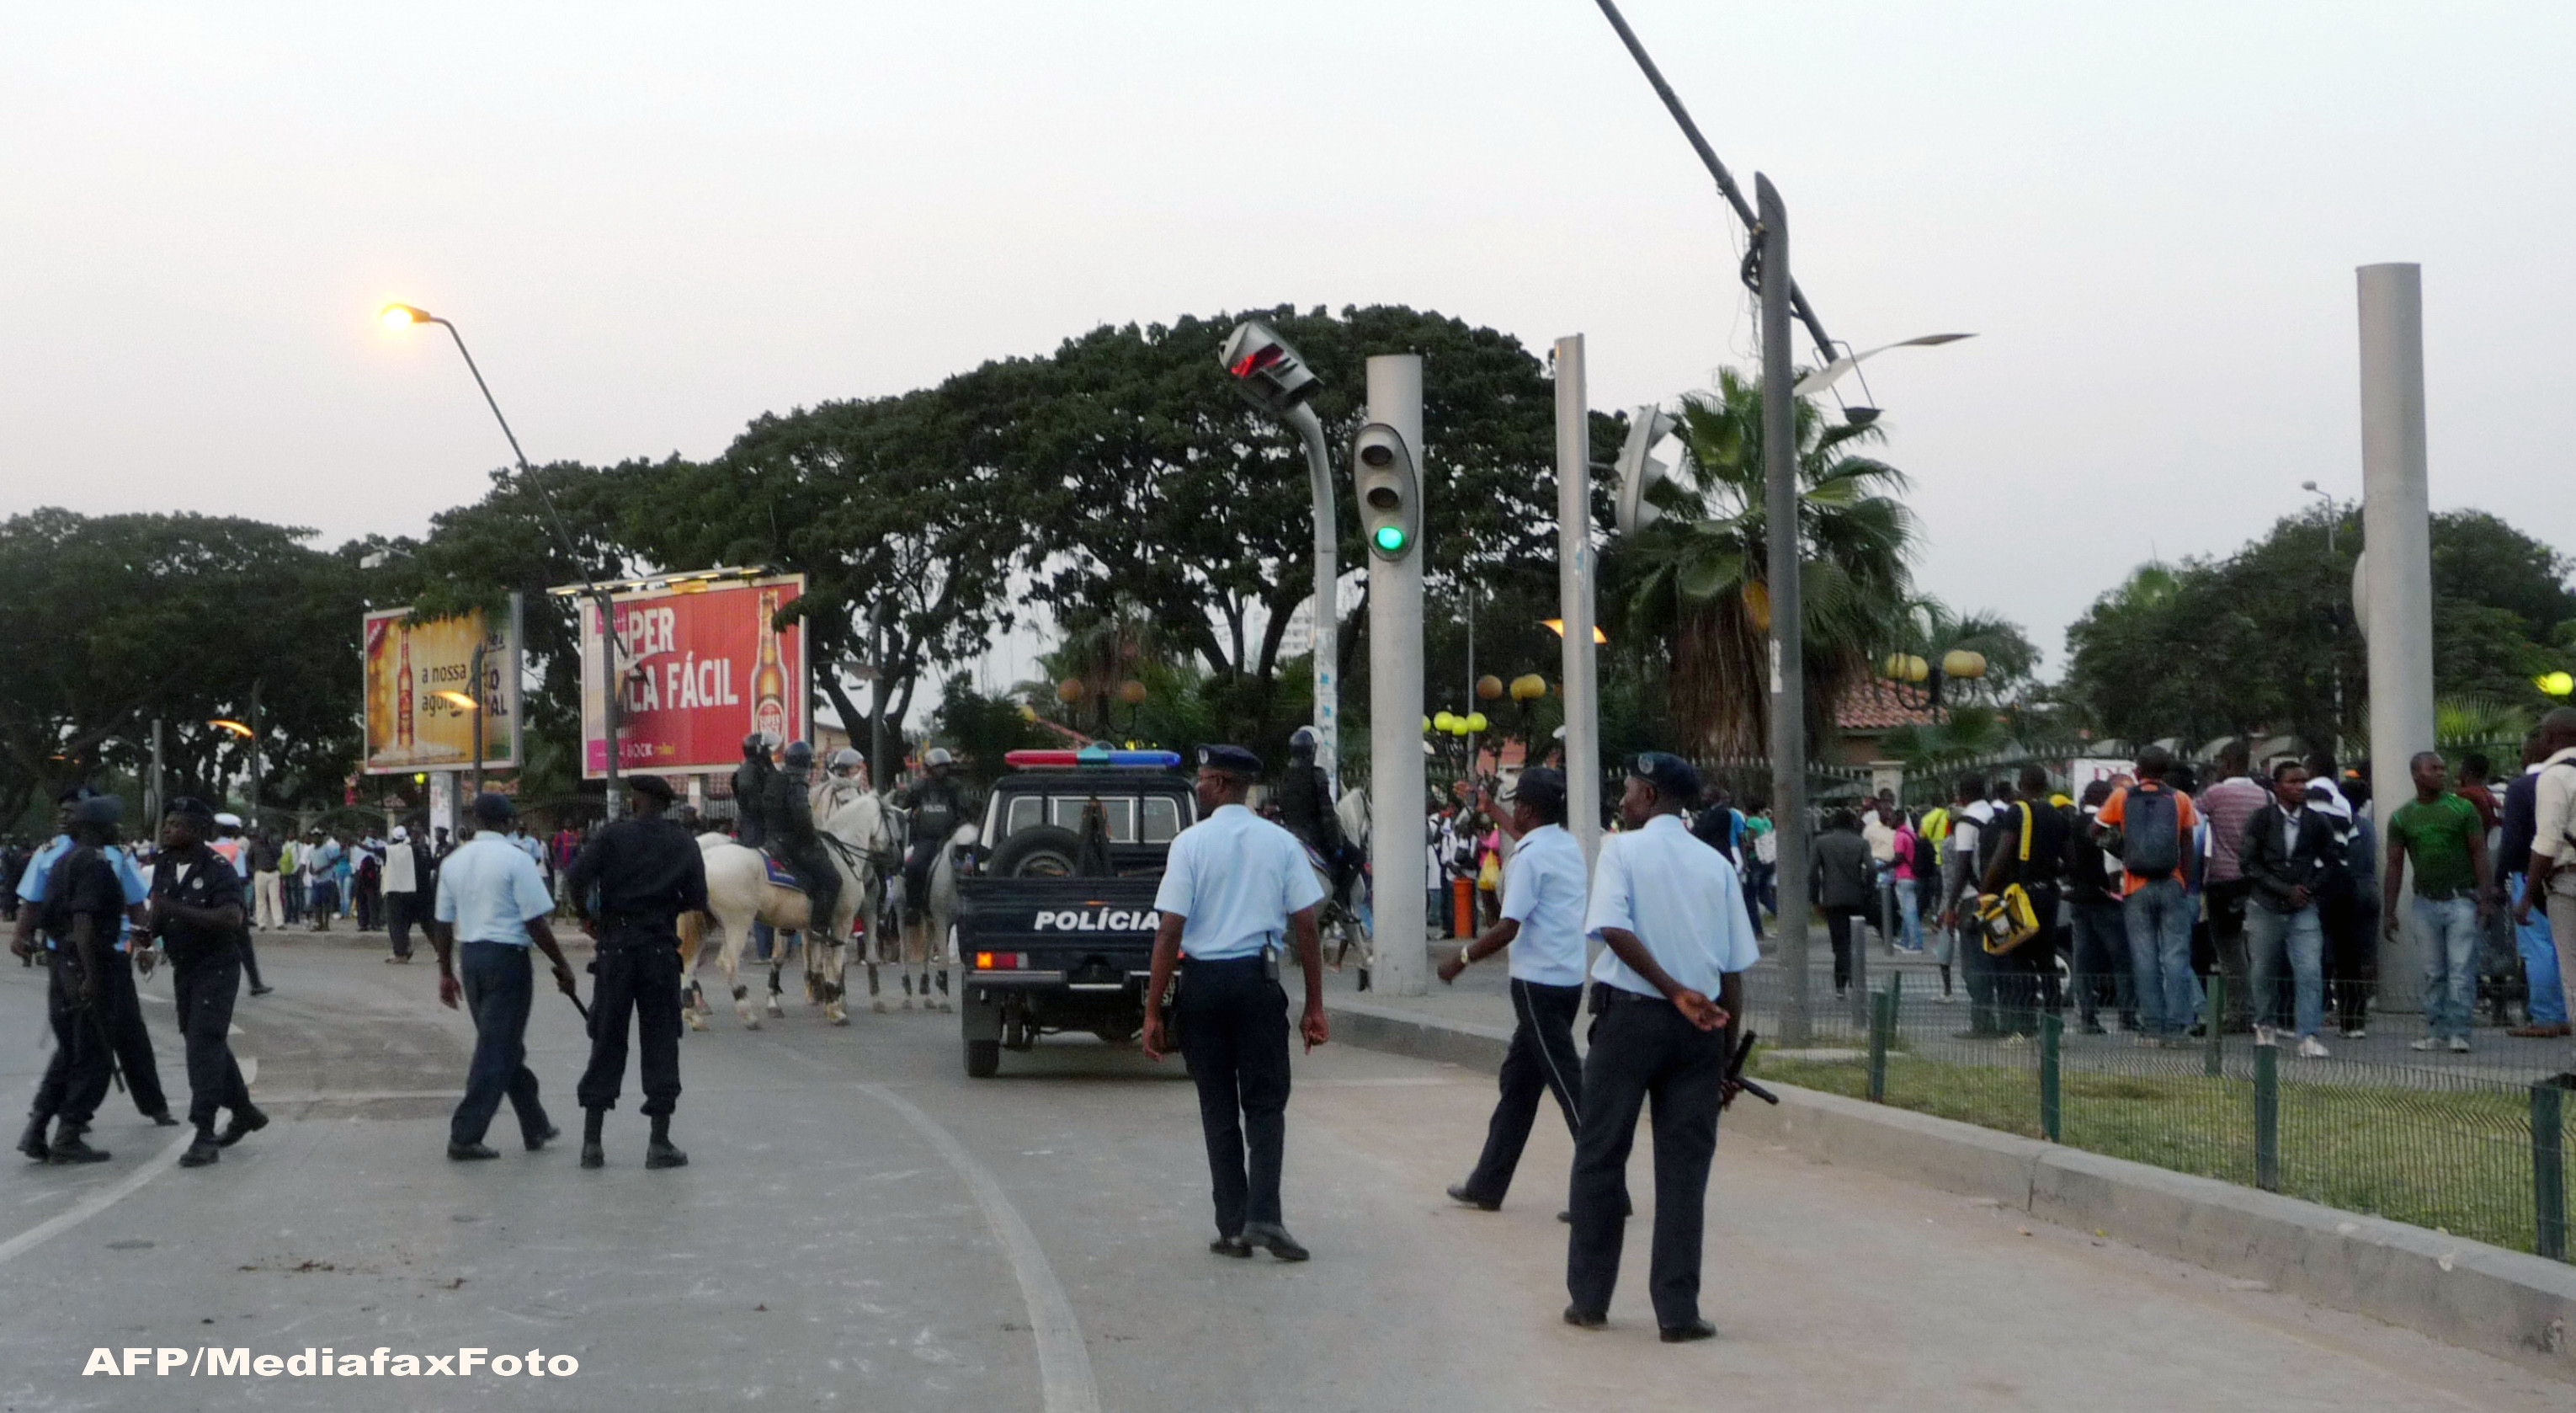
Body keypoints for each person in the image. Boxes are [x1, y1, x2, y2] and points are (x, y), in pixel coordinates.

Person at [1563, 753, 1755, 1343]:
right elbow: (1731, 972)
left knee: (1600, 1157)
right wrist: (1724, 1054)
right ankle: (1677, 1312)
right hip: (1698, 1031)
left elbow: (1613, 929)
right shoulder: (1715, 863)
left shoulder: (1622, 850)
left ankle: (1590, 1301)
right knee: (1684, 1172)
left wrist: (1671, 991)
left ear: (1648, 795)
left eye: (1627, 790)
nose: (1622, 801)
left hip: (1631, 1023)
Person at [1139, 744, 1328, 1261]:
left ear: (1221, 783)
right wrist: (1314, 1005)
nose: (1197, 786)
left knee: (1217, 1106)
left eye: (1202, 779)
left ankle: (1232, 1227)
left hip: (1202, 986)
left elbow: (1169, 930)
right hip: (1257, 982)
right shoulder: (1281, 843)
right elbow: (1306, 924)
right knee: (1266, 1104)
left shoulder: (1190, 844)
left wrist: (1153, 1011)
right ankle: (1264, 1215)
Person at [1437, 768, 1587, 1213]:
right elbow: (1517, 831)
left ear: (1527, 808)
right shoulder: (1567, 846)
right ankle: (1487, 1184)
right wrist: (1491, 810)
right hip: (1566, 980)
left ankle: (1605, 1191)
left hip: (1538, 986)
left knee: (1569, 1087)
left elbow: (1507, 927)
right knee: (1518, 1087)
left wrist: (1460, 961)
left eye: (1516, 804)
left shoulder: (1529, 858)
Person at [565, 774, 709, 1170]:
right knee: (661, 1042)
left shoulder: (613, 837)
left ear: (637, 801)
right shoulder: (683, 841)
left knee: (607, 1039)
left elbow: (576, 877)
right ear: (665, 804)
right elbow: (697, 898)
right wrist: (661, 909)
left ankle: (592, 1145)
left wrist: (587, 917)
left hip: (615, 950)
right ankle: (658, 1143)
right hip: (660, 952)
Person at [13, 786, 175, 1128]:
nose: (64, 816)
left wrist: (145, 945)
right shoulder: (60, 856)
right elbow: (42, 905)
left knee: (128, 1036)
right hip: (83, 959)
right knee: (85, 1044)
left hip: (109, 953)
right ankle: (65, 1121)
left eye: (70, 811)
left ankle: (151, 1105)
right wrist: (23, 936)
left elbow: (135, 904)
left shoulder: (113, 856)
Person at [429, 792, 578, 1161]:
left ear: (477, 822)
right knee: (496, 1049)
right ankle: (465, 1134)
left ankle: (535, 1123)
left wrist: (447, 973)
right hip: (507, 960)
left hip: (472, 958)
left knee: (504, 1044)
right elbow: (535, 922)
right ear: (508, 822)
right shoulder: (517, 859)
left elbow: (443, 923)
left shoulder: (454, 861)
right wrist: (562, 964)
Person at [145, 798, 267, 1166]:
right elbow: (158, 908)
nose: (167, 830)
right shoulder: (164, 863)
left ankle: (204, 1133)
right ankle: (244, 1111)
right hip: (186, 968)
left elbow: (231, 917)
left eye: (176, 825)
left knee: (201, 1048)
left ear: (198, 832)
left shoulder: (218, 870)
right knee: (206, 1042)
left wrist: (174, 911)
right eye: (166, 824)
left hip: (216, 968)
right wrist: (147, 940)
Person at [13, 796, 134, 1164]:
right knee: (93, 1057)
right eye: (113, 823)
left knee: (67, 1054)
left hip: (61, 965)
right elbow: (83, 924)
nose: (118, 829)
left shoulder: (62, 860)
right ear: (98, 827)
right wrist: (91, 976)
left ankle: (37, 1128)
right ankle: (69, 1133)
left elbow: (44, 915)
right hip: (87, 966)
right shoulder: (94, 863)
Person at [2387, 750, 2494, 1053]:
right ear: (2416, 775)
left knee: (2460, 969)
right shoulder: (2402, 817)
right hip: (2425, 902)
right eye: (2433, 768)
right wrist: (2390, 910)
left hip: (2462, 900)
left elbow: (2479, 853)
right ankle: (2435, 1029)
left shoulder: (2462, 809)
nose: (2441, 773)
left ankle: (2459, 1031)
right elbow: (2394, 865)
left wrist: (2485, 898)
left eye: (2443, 768)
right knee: (2434, 971)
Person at [2094, 746, 2201, 1044]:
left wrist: (2122, 848)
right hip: (2172, 883)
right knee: (2176, 956)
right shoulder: (2180, 799)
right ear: (2166, 772)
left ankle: (2152, 1024)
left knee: (2144, 958)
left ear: (2136, 772)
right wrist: (2185, 882)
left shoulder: (2121, 796)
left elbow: (2095, 830)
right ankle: (2177, 1025)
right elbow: (2189, 843)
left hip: (2135, 885)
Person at [2238, 762, 2340, 1058]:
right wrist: (2283, 890)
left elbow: (2332, 861)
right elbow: (2249, 864)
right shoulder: (2260, 820)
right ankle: (2265, 1026)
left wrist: (2308, 889)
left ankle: (2308, 1034)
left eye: (2303, 782)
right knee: (2263, 969)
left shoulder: (2316, 822)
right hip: (2266, 905)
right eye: (2293, 782)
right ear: (2277, 786)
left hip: (2303, 907)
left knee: (2309, 970)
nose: (2300, 787)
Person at [1980, 765, 2070, 1038]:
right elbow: (2071, 860)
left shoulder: (2017, 811)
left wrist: (1986, 890)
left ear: (2021, 784)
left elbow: (2003, 853)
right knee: (2046, 958)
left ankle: (2024, 1025)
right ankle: (2054, 1024)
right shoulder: (2057, 815)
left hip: (2023, 896)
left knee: (2018, 955)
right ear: (2046, 786)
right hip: (2049, 895)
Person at [2515, 708, 2576, 1081]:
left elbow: (2547, 841)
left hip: (2569, 882)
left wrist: (2528, 894)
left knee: (2573, 974)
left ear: (2550, 737)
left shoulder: (2554, 776)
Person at [2198, 742, 2267, 1034]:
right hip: (2256, 882)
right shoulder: (2264, 795)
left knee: (2229, 952)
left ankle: (2238, 1012)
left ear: (2225, 765)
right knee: (2255, 950)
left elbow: (2192, 819)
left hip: (2223, 881)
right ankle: (2260, 1011)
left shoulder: (2215, 794)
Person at [2503, 731, 2568, 1037]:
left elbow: (2515, 839)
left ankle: (2546, 1016)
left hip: (2535, 872)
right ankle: (2567, 1013)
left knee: (2538, 947)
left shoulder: (2521, 788)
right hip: (2565, 870)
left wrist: (2504, 875)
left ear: (2528, 754)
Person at [2067, 781, 2134, 1033]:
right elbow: (2116, 857)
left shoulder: (2072, 824)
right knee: (2122, 959)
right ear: (2105, 799)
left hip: (2079, 898)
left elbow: (2068, 859)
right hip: (2106, 900)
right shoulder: (2106, 825)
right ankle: (2127, 1016)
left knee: (2083, 961)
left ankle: (2087, 1016)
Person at [763, 742, 840, 940]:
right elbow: (802, 818)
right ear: (806, 762)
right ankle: (819, 926)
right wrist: (813, 840)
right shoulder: (797, 785)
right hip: (791, 844)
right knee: (832, 879)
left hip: (771, 840)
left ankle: (788, 921)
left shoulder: (775, 779)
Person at [894, 747, 971, 930]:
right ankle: (914, 907)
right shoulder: (918, 788)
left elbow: (963, 813)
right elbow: (904, 809)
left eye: (944, 767)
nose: (941, 771)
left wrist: (953, 833)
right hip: (925, 841)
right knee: (914, 867)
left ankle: (964, 908)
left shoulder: (955, 788)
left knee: (964, 870)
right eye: (937, 767)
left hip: (950, 841)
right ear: (928, 768)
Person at [1937, 775, 1995, 1011]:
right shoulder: (1996, 815)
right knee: (1995, 958)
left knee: (1974, 963)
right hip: (1997, 895)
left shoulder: (1967, 822)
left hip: (1973, 898)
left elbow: (1963, 867)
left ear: (1961, 796)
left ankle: (1982, 1018)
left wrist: (1950, 906)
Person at [1277, 726, 1355, 897]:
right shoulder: (1317, 775)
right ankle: (1341, 901)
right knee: (1356, 858)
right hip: (1313, 836)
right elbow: (1327, 815)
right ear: (1312, 751)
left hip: (1290, 833)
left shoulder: (1285, 776)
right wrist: (1336, 845)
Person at [1811, 809, 1873, 999]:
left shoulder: (1821, 842)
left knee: (1839, 944)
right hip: (1856, 897)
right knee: (1855, 942)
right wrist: (1867, 891)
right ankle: (1855, 980)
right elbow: (1871, 869)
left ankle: (1840, 985)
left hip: (1832, 898)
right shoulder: (1861, 843)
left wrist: (1815, 900)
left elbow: (1812, 873)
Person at [382, 824, 430, 962]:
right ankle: (405, 949)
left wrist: (356, 844)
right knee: (405, 924)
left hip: (394, 892)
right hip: (410, 891)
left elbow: (372, 850)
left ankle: (400, 954)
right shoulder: (413, 849)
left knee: (395, 924)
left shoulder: (388, 850)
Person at [731, 733, 778, 851]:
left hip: (757, 827)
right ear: (759, 750)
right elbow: (755, 805)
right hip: (755, 832)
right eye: (766, 749)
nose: (769, 752)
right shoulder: (749, 772)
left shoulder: (757, 768)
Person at [1891, 809, 1926, 954]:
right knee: (1907, 910)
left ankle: (1917, 944)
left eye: (1892, 818)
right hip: (1913, 875)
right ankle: (1904, 940)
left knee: (1909, 911)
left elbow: (1899, 857)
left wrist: (1885, 867)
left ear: (1898, 819)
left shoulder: (1900, 836)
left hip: (1903, 876)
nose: (1890, 821)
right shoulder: (1911, 834)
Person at [249, 829, 285, 931]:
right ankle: (262, 923)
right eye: (262, 835)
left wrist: (271, 844)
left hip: (273, 873)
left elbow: (279, 854)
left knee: (275, 898)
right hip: (260, 872)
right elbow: (249, 859)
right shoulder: (254, 846)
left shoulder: (273, 846)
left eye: (265, 836)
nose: (263, 837)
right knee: (260, 900)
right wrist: (253, 870)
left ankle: (279, 922)